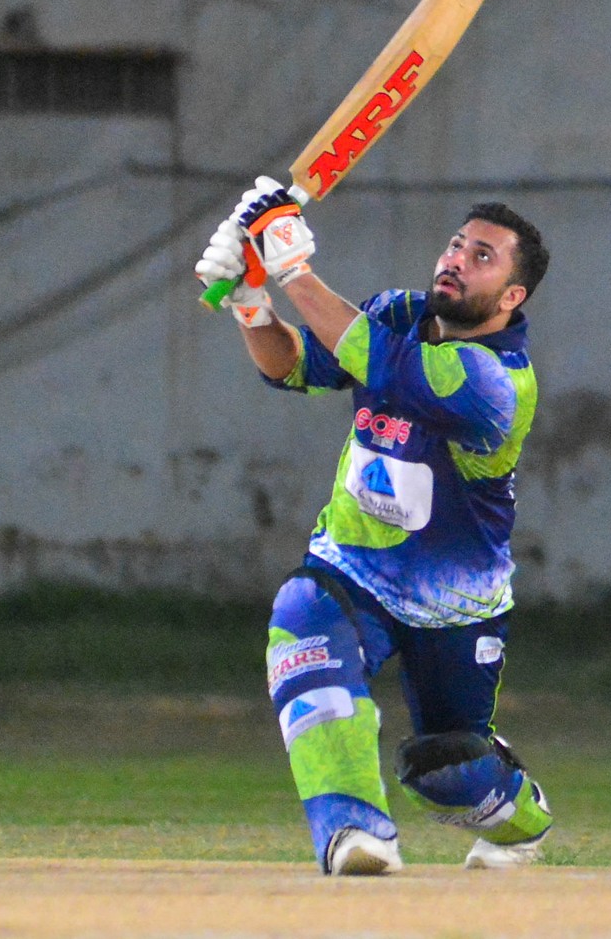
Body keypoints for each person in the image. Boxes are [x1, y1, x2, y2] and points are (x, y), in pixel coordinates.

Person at [194, 177, 554, 876]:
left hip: (454, 600)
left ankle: (522, 814)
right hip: (353, 562)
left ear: (513, 296)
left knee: (446, 767)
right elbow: (296, 364)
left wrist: (293, 268)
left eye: (482, 257)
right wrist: (250, 302)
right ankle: (354, 830)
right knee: (302, 621)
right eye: (457, 244)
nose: (456, 259)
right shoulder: (395, 313)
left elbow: (384, 364)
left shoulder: (497, 382)